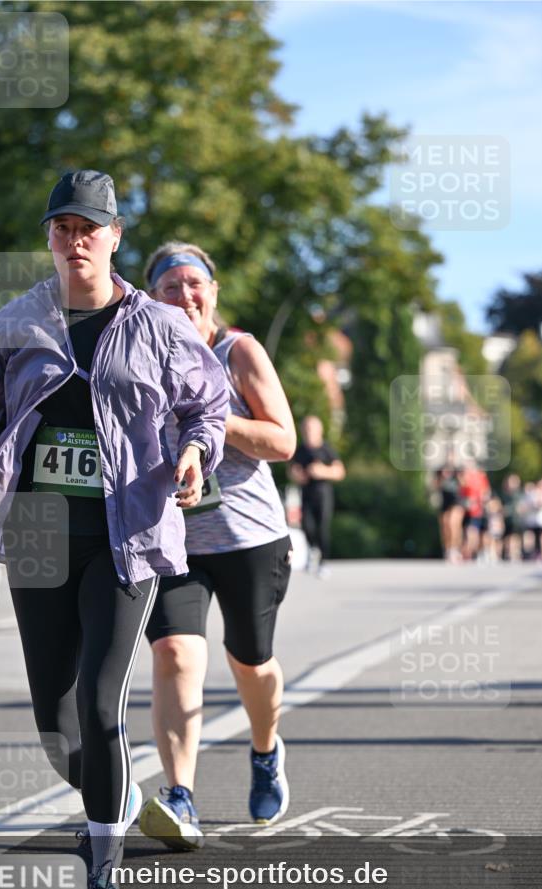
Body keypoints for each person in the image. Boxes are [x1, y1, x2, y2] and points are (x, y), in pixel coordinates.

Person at [0, 172, 228, 889]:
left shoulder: (158, 325)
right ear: (49, 237)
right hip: (38, 531)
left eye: (89, 228)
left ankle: (103, 881)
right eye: (62, 228)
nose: (75, 241)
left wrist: (195, 451)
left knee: (102, 707)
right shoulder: (16, 321)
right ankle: (114, 798)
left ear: (114, 237)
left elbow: (207, 404)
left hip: (123, 530)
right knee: (54, 722)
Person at [139, 241, 296, 850]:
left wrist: (211, 417)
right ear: (152, 299)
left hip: (248, 537)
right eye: (170, 287)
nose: (184, 295)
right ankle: (180, 794)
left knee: (249, 661)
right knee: (175, 654)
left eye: (194, 284)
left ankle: (265, 750)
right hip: (173, 539)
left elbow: (282, 441)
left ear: (213, 292)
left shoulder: (239, 352)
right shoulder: (140, 360)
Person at [289, 415, 345, 577]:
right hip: (306, 493)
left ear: (319, 430)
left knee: (322, 527)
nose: (308, 432)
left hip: (323, 494)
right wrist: (296, 475)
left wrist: (323, 471)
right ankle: (312, 551)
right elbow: (292, 470)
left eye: (311, 429)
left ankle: (323, 562)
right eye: (306, 429)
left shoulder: (326, 449)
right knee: (307, 525)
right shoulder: (300, 450)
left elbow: (340, 471)